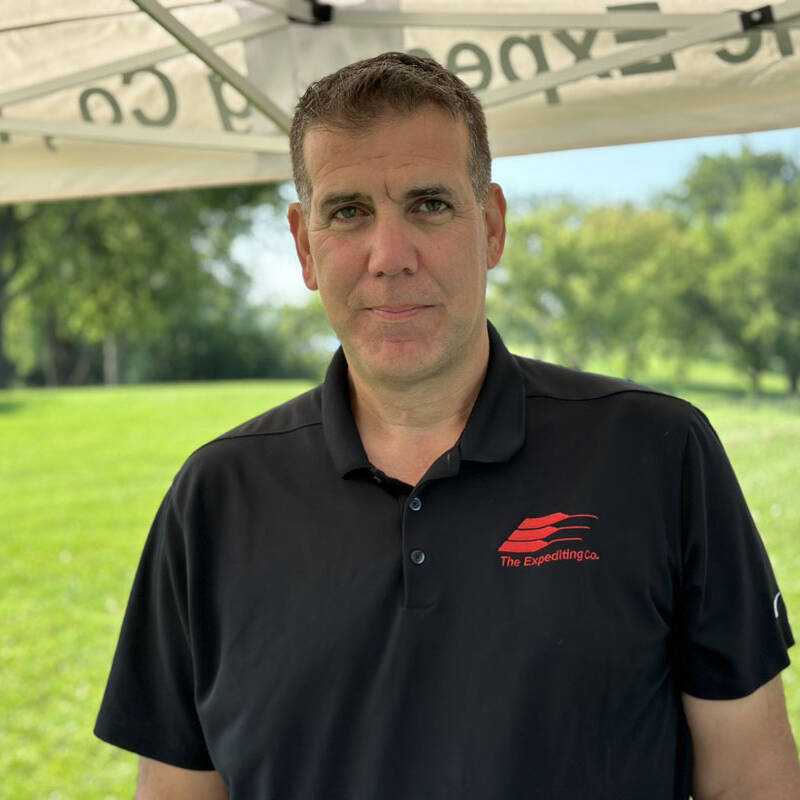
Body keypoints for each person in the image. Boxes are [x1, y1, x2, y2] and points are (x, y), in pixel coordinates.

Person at [95, 52, 800, 799]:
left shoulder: (657, 453)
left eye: (429, 204)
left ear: (490, 226)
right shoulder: (214, 497)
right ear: (305, 246)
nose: (391, 256)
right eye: (348, 212)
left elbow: (751, 776)